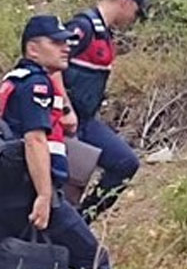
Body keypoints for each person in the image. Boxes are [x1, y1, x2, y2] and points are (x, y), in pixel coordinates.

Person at [0, 15, 110, 269]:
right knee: (93, 259)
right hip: (29, 192)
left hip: (10, 192)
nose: (66, 48)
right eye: (56, 42)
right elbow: (35, 140)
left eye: (67, 42)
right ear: (33, 48)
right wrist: (44, 195)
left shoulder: (13, 80)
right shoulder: (36, 83)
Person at [62, 0, 148, 223]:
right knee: (66, 184)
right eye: (135, 11)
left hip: (86, 121)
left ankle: (81, 221)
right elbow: (49, 66)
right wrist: (66, 109)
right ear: (125, 2)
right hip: (63, 121)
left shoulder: (105, 34)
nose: (134, 19)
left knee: (125, 162)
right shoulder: (83, 27)